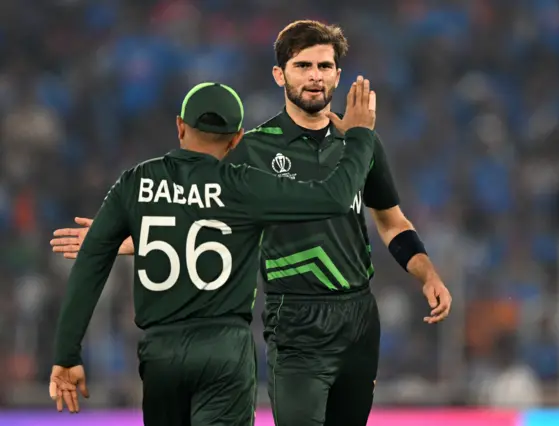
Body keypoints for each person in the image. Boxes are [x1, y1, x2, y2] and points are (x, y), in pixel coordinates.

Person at [51, 20, 453, 426]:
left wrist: (426, 274)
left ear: (337, 74)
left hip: (359, 317)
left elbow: (390, 220)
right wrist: (134, 237)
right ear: (280, 74)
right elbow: (205, 213)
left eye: (325, 66)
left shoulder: (363, 143)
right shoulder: (251, 149)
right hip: (294, 316)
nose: (315, 75)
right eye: (303, 65)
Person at [48, 78, 378, 426]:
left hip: (161, 352)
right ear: (237, 139)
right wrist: (359, 136)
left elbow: (91, 264)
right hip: (225, 350)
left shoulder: (135, 182)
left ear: (179, 126)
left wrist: (67, 354)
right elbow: (336, 198)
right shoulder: (246, 185)